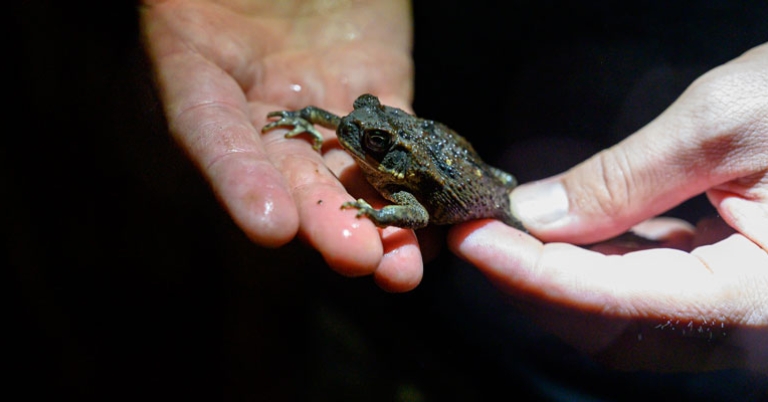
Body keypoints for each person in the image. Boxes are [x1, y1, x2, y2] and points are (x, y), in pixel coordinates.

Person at [141, 0, 768, 374]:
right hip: (468, 91)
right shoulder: (381, 139)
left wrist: (371, 208)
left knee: (555, 321)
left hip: (483, 196)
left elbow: (413, 207)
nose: (360, 136)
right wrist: (319, 120)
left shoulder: (405, 182)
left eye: (374, 147)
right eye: (359, 126)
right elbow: (367, 128)